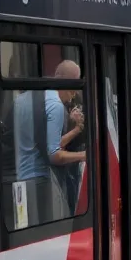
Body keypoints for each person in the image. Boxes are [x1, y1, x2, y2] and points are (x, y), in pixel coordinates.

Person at [13, 59, 86, 225]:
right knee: (44, 233)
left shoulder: (23, 99)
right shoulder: (56, 106)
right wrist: (84, 155)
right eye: (74, 87)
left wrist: (75, 130)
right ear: (66, 82)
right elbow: (54, 154)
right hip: (41, 179)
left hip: (20, 178)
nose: (74, 93)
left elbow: (49, 144)